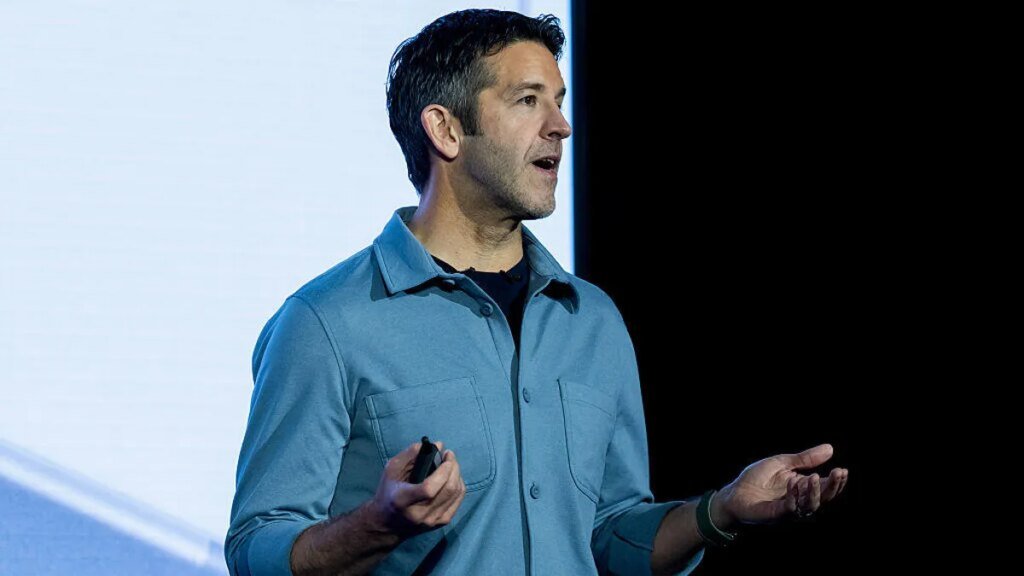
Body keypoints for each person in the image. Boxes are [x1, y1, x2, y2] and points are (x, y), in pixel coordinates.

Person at [224, 9, 849, 576]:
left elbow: (609, 536)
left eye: (559, 101)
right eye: (528, 100)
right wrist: (377, 525)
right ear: (446, 129)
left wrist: (722, 510)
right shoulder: (326, 323)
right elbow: (257, 549)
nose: (562, 126)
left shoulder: (592, 321)